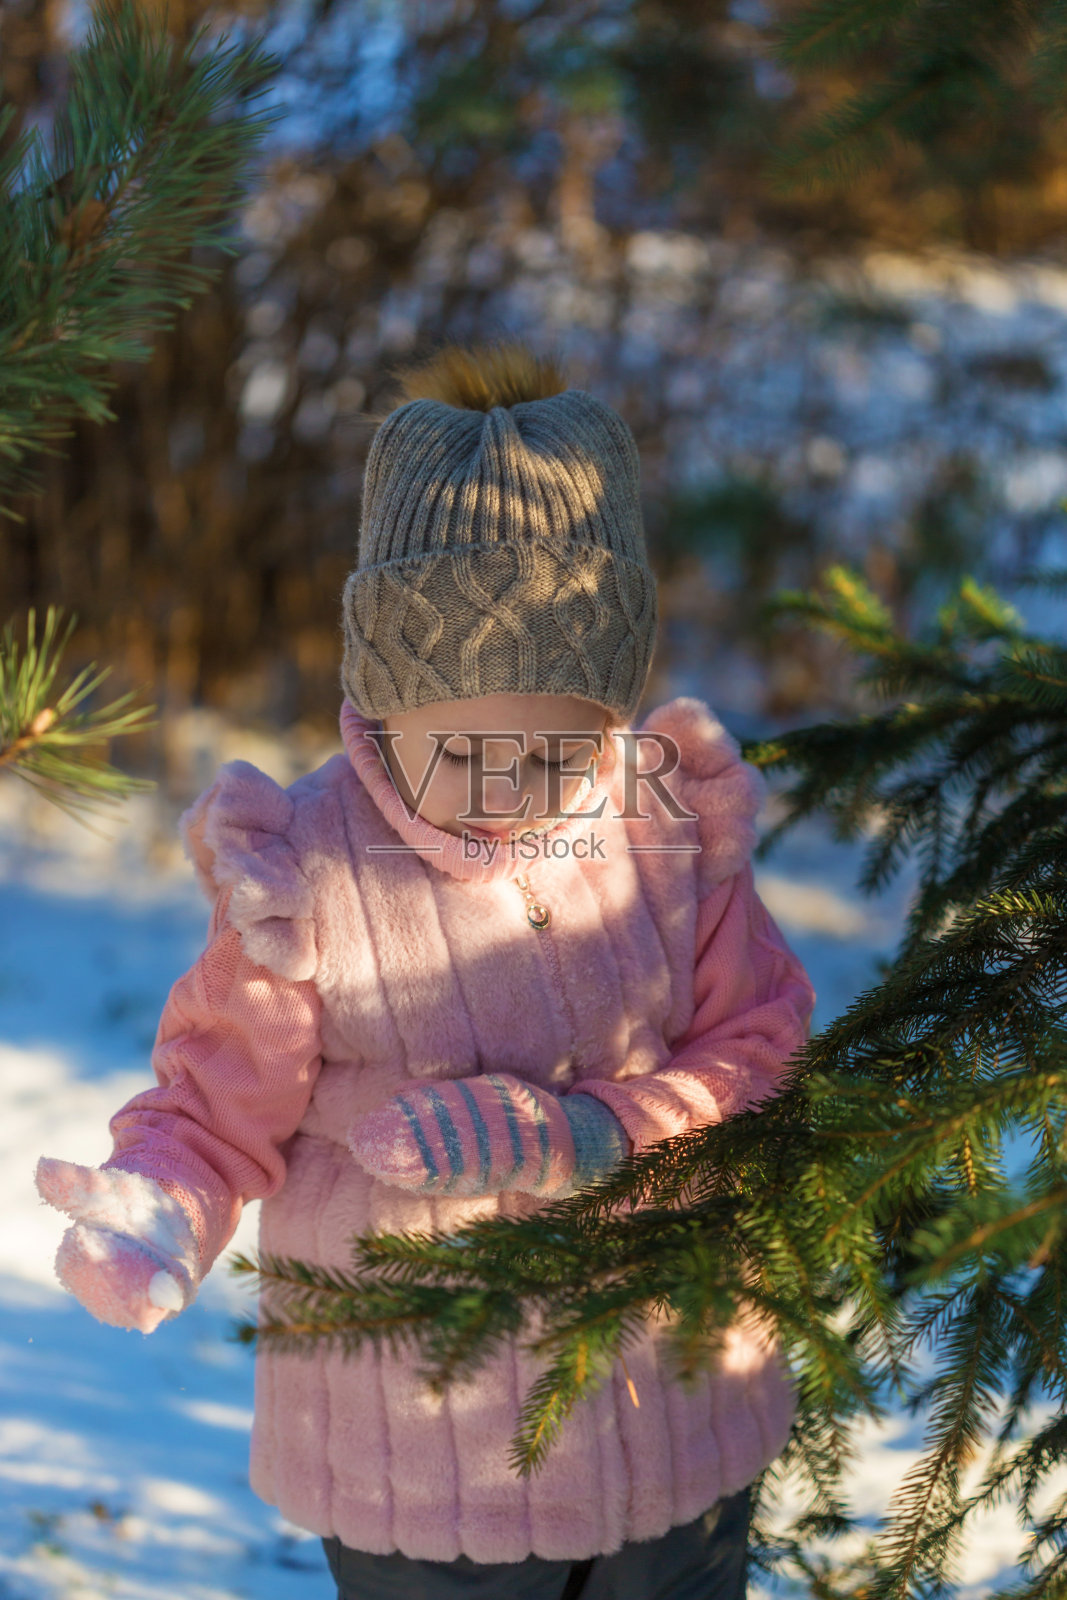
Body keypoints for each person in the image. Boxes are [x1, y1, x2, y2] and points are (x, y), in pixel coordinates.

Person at [35, 339, 816, 1600]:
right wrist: (160, 1204)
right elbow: (215, 1104)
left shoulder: (665, 829)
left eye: (557, 748)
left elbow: (761, 1051)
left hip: (673, 1406)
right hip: (421, 1462)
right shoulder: (304, 873)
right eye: (457, 746)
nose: (508, 788)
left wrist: (588, 1133)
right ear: (379, 701)